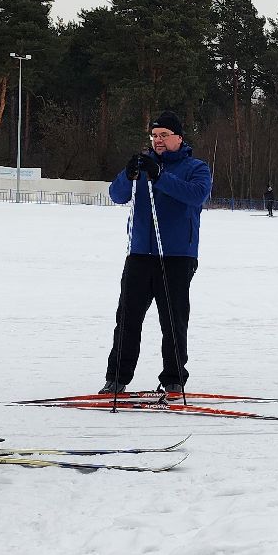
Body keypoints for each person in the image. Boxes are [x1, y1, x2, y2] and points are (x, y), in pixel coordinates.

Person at [102, 111, 213, 396]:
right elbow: (117, 195)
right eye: (154, 135)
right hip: (140, 253)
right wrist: (129, 175)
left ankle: (174, 378)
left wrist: (160, 176)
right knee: (127, 317)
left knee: (173, 320)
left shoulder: (196, 167)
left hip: (176, 256)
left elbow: (196, 195)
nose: (158, 140)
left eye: (164, 135)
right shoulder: (143, 164)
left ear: (179, 138)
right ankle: (117, 377)